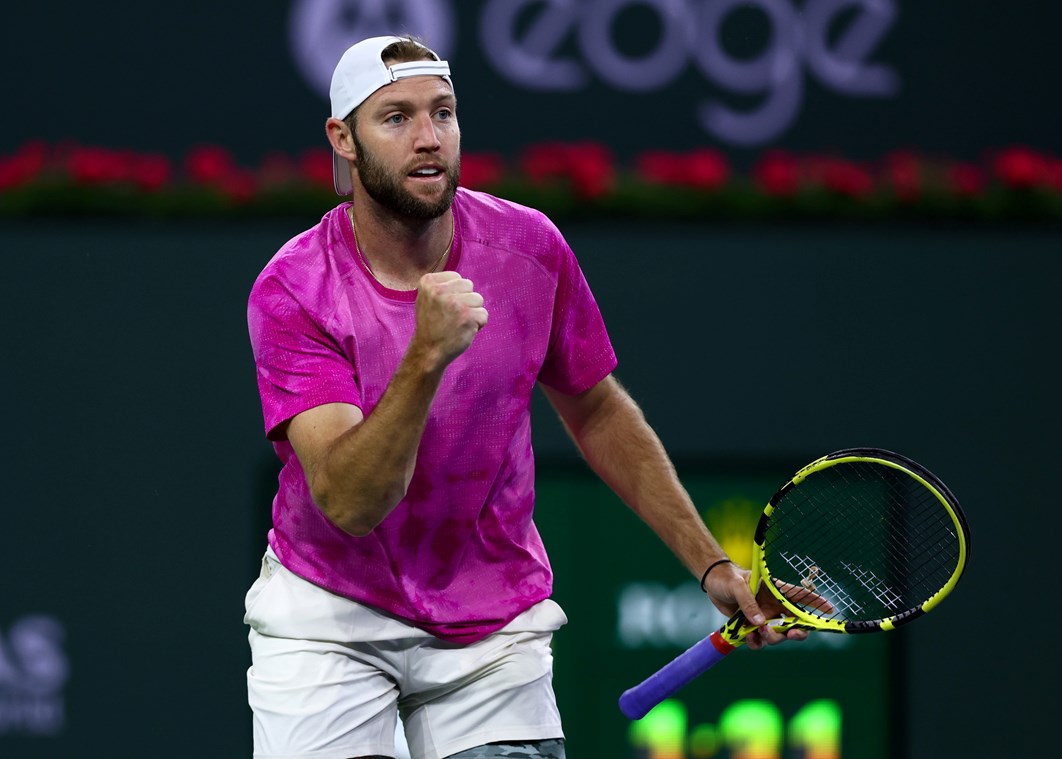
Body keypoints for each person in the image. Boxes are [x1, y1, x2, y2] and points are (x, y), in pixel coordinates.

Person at [245, 35, 814, 759]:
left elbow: (597, 408)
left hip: (489, 624)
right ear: (343, 139)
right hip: (329, 616)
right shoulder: (294, 287)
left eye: (443, 113)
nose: (429, 139)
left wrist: (711, 564)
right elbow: (352, 504)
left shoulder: (530, 248)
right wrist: (425, 356)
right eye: (395, 118)